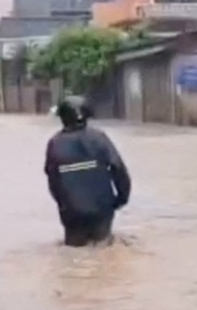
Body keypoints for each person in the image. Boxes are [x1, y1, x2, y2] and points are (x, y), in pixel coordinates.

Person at [44, 95, 131, 247]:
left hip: (72, 213)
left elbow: (53, 182)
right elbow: (119, 170)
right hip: (102, 211)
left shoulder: (54, 144)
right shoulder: (99, 138)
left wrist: (64, 205)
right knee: (103, 253)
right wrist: (121, 199)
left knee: (74, 256)